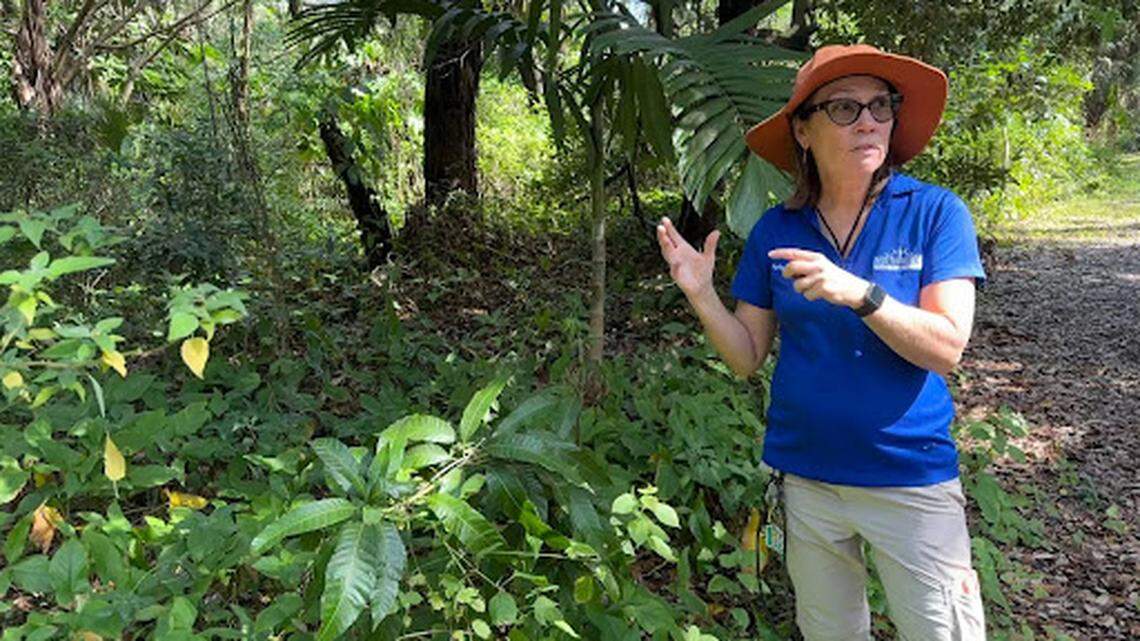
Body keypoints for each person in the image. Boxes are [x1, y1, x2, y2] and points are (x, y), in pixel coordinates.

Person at [656, 44, 988, 641]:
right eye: (843, 107)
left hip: (908, 477)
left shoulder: (934, 214)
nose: (868, 120)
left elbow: (946, 347)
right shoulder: (777, 229)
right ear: (803, 130)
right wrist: (701, 294)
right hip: (808, 480)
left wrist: (860, 294)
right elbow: (746, 358)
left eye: (880, 105)